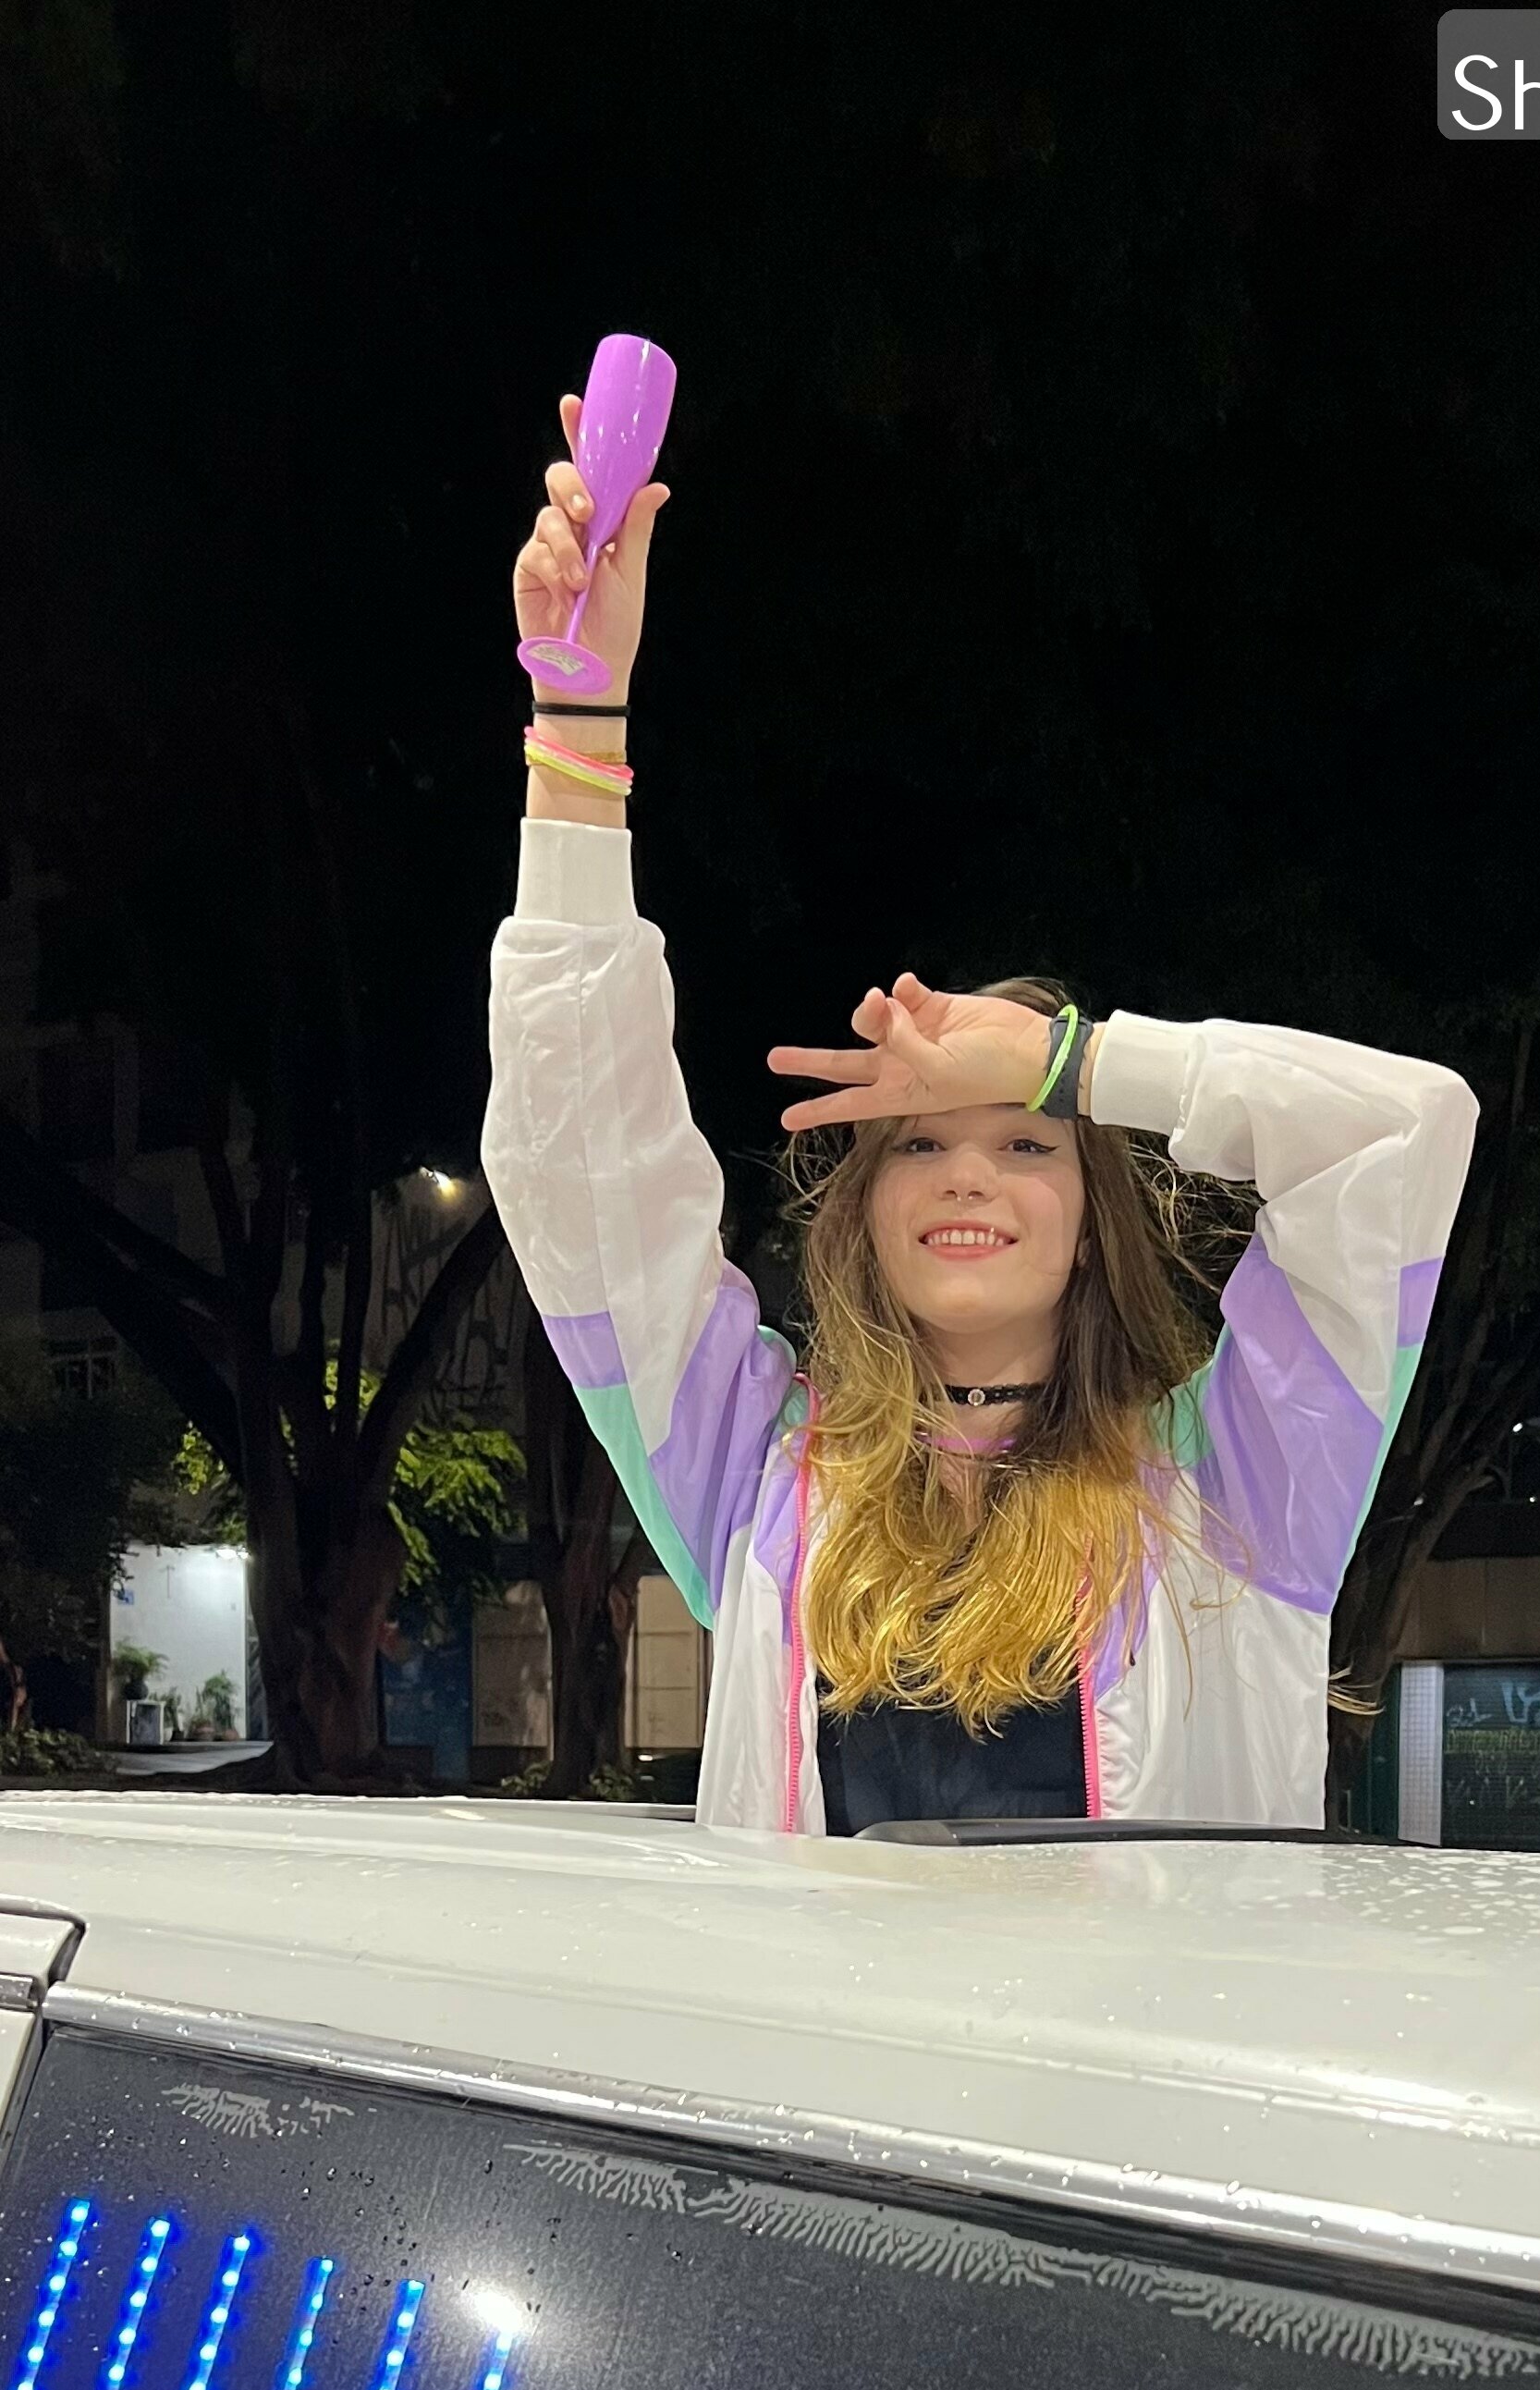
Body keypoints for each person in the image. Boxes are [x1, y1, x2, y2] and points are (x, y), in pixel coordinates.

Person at [483, 400, 1479, 1833]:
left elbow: (1404, 1133)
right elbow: (580, 1166)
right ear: (863, 1215)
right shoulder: (753, 1467)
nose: (969, 1177)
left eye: (1025, 1142)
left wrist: (1080, 1061)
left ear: (1091, 1218)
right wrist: (576, 733)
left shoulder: (1239, 1476)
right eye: (919, 1146)